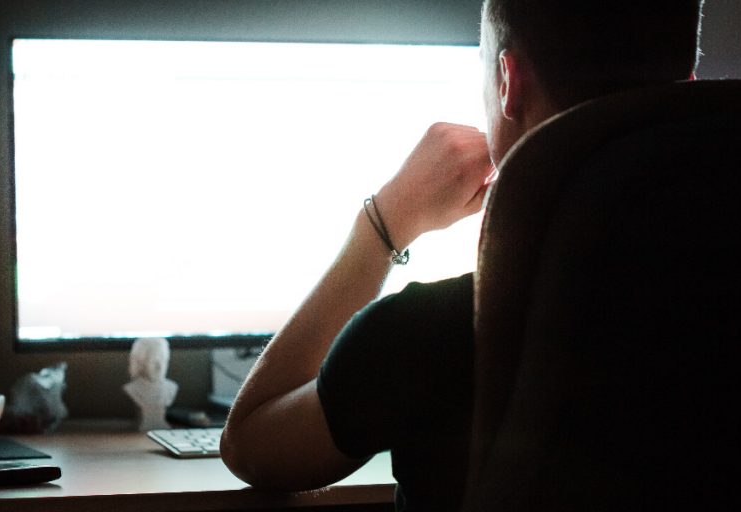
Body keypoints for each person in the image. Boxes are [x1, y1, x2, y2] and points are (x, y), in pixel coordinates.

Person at [220, 1, 704, 510]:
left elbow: (250, 446)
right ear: (689, 88)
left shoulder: (441, 331)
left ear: (508, 83)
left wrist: (383, 223)